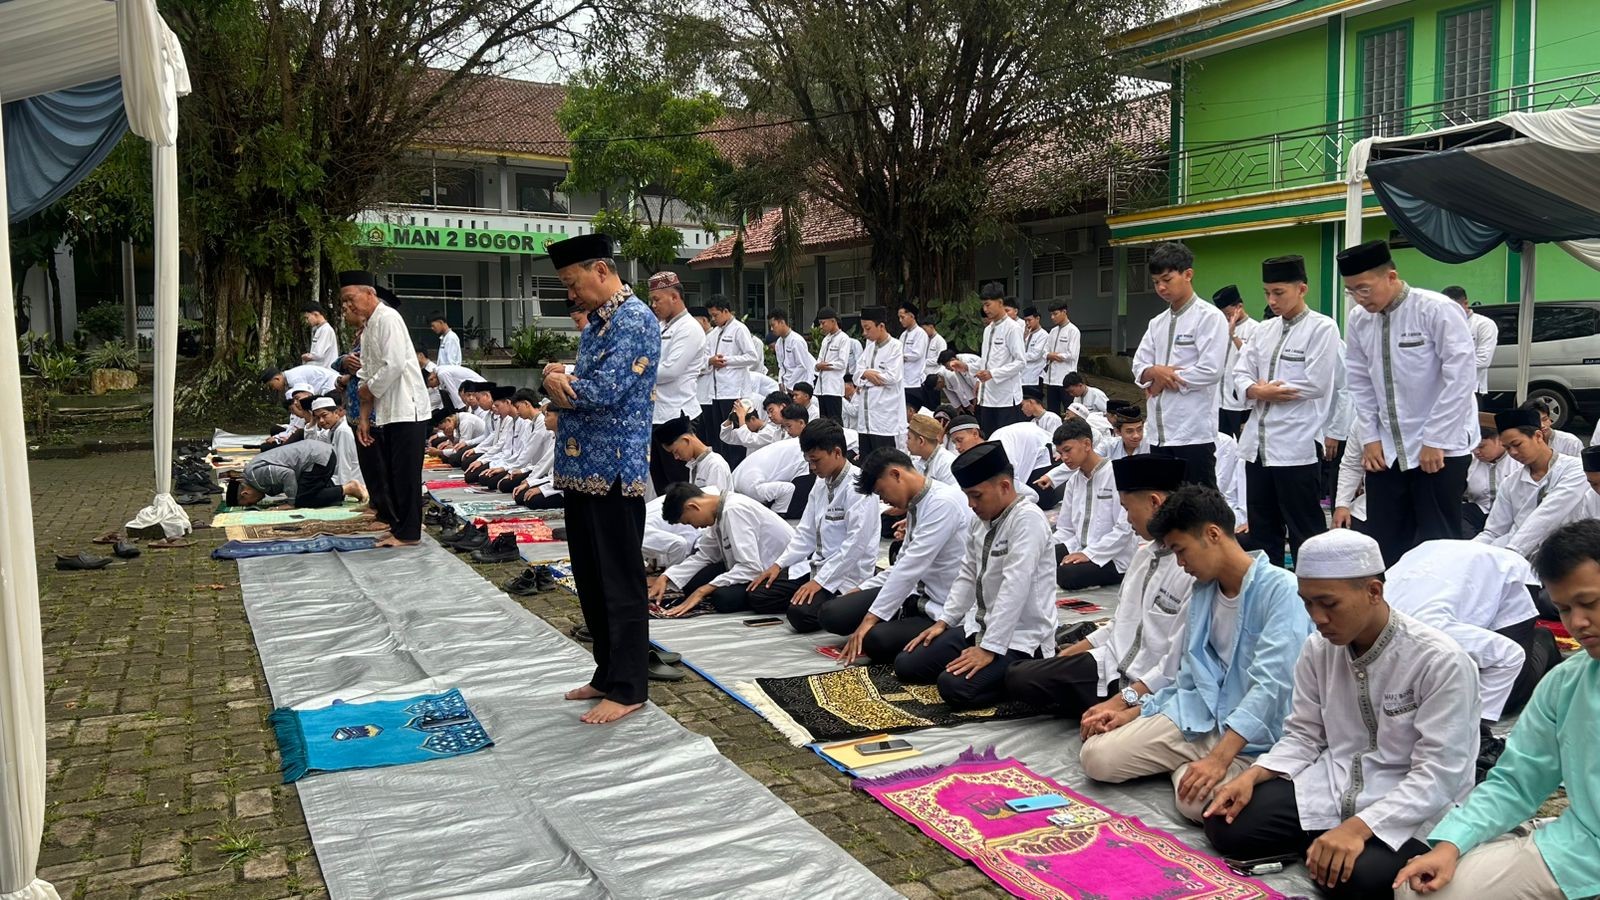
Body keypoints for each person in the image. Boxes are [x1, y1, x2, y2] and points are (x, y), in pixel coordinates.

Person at [1203, 529, 1480, 899]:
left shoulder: (1439, 661)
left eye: (1328, 603)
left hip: (1408, 803)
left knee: (1356, 880)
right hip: (1334, 785)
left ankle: (1329, 845)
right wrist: (1253, 775)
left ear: (1373, 592)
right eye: (1307, 604)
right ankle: (1325, 845)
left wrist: (1360, 827)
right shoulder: (1318, 650)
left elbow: (1439, 774)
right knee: (1226, 825)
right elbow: (1303, 734)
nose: (1317, 617)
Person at [1392, 520, 1600, 900]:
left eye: (1590, 603)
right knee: (1420, 890)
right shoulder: (1566, 684)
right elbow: (1517, 780)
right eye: (1565, 609)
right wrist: (1452, 843)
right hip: (1582, 851)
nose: (1578, 623)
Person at [1080, 484, 1312, 822]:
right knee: (1096, 757)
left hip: (1251, 732)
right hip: (1198, 716)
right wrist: (1133, 711)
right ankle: (1190, 768)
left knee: (1198, 805)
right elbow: (1185, 673)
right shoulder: (1203, 590)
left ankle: (1202, 768)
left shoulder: (1281, 591)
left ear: (1213, 534)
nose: (1180, 562)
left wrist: (1219, 759)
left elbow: (1271, 686)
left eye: (1181, 549)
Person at [540, 233, 660, 725]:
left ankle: (630, 685)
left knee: (619, 581)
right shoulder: (598, 323)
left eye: (574, 283)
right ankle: (607, 672)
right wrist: (560, 376)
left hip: (613, 469)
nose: (571, 295)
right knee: (589, 577)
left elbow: (604, 391)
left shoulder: (634, 320)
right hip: (582, 467)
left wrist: (554, 382)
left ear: (602, 271)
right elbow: (581, 381)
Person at [1006, 454, 1193, 719]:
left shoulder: (1191, 567)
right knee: (1019, 675)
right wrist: (1071, 652)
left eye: (1128, 508)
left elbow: (1175, 664)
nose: (1128, 519)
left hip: (1145, 684)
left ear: (1154, 502)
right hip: (1110, 663)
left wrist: (1125, 700)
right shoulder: (1144, 556)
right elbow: (1119, 624)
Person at [1340, 239, 1476, 565]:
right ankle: (1391, 613)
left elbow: (1460, 378)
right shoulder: (1359, 320)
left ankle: (1439, 613)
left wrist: (1436, 439)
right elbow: (1359, 382)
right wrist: (1370, 439)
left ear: (1390, 276)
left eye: (1364, 289)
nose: (1359, 298)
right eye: (1351, 291)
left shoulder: (1436, 309)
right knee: (1385, 543)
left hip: (1440, 450)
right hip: (1386, 450)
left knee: (1438, 545)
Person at [897, 442, 1057, 708]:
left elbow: (1014, 587)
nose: (970, 504)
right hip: (979, 626)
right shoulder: (980, 518)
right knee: (908, 663)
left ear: (1005, 486)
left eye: (976, 496)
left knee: (954, 687)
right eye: (967, 496)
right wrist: (945, 621)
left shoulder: (1028, 520)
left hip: (1020, 638)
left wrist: (990, 648)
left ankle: (1031, 673)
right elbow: (968, 572)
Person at [814, 448, 974, 665]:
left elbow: (910, 568)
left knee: (876, 641)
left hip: (939, 606)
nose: (885, 500)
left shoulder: (942, 503)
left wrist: (870, 619)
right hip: (913, 596)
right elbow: (901, 566)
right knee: (832, 613)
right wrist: (860, 591)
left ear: (896, 475)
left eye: (882, 493)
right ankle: (895, 617)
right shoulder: (918, 503)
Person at [1234, 255, 1340, 567]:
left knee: (1304, 529)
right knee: (1263, 529)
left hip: (1296, 446)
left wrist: (1271, 389)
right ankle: (1271, 593)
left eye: (1279, 292)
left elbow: (1317, 383)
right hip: (1257, 448)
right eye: (1267, 292)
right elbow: (1240, 374)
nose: (1271, 300)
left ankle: (1315, 595)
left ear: (1302, 288)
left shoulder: (1322, 328)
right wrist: (1257, 390)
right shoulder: (1262, 331)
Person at [1385, 540, 1546, 726]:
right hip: (1437, 559)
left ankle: (1544, 643)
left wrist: (1477, 725)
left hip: (1507, 571)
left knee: (1508, 696)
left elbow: (1509, 656)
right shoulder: (1363, 628)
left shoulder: (1432, 633)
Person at [747, 422, 881, 631]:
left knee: (800, 616)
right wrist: (779, 565)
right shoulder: (821, 482)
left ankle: (829, 602)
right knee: (758, 595)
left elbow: (855, 546)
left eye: (816, 460)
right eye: (808, 460)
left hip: (845, 575)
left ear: (837, 452)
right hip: (815, 566)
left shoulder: (858, 486)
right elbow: (805, 532)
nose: (812, 467)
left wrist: (821, 582)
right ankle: (808, 597)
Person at [341, 271, 431, 547]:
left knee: (406, 474)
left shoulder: (388, 318)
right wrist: (365, 418)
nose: (348, 306)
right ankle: (397, 525)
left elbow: (393, 365)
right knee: (392, 472)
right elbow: (366, 375)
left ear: (369, 293)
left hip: (408, 407)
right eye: (344, 302)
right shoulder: (369, 327)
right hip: (387, 410)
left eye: (350, 299)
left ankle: (409, 533)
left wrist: (367, 390)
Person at [1132, 242, 1230, 489]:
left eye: (1167, 279)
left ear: (1188, 274)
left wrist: (1160, 383)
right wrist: (1156, 372)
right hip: (1159, 433)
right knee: (1165, 505)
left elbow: (1210, 370)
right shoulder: (1157, 323)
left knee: (1198, 509)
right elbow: (1138, 366)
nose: (1161, 287)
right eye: (1156, 282)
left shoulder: (1209, 317)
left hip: (1193, 434)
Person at [653, 484, 798, 616]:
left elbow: (751, 567)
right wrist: (667, 576)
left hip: (778, 570)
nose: (695, 527)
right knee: (692, 583)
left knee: (724, 599)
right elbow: (706, 555)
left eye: (690, 522)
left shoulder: (734, 510)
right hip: (749, 566)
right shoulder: (719, 510)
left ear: (693, 507)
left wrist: (704, 590)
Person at [1474, 408, 1589, 561]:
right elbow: (1493, 532)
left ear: (1538, 436)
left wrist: (1511, 554)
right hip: (1517, 557)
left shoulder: (1575, 469)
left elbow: (1547, 515)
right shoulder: (1511, 483)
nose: (1513, 452)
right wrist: (1470, 552)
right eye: (1507, 448)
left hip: (1567, 556)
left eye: (1517, 444)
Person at [1051, 418, 1136, 590]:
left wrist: (1089, 554)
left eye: (1067, 450)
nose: (1064, 458)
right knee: (1040, 557)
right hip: (1078, 546)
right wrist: (1046, 546)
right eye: (1061, 453)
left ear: (1087, 444)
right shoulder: (1074, 481)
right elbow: (1065, 529)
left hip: (1113, 556)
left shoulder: (1116, 475)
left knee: (1067, 575)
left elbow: (1124, 529)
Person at [647, 271, 707, 494]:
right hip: (657, 414)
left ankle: (686, 529)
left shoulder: (689, 328)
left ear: (674, 296)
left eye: (657, 299)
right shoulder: (663, 326)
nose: (653, 305)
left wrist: (634, 371)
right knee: (662, 484)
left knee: (679, 485)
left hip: (677, 416)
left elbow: (670, 371)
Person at [704, 295, 760, 466]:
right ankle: (722, 470)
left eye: (715, 315)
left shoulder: (739, 329)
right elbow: (705, 357)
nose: (713, 319)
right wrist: (710, 361)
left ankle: (737, 470)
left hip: (734, 391)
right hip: (715, 393)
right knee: (721, 435)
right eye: (711, 316)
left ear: (726, 311)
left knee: (735, 437)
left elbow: (752, 357)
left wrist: (726, 360)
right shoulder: (714, 334)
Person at [226, 440, 364, 509]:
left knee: (303, 500)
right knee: (310, 494)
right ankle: (338, 492)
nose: (254, 503)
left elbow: (287, 474)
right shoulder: (254, 477)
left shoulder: (256, 475)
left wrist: (291, 503)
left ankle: (349, 488)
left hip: (317, 459)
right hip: (320, 456)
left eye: (248, 503)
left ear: (245, 493)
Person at [975, 282, 1027, 434]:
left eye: (987, 305)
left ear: (1000, 303)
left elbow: (1020, 362)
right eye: (983, 305)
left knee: (1005, 442)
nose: (985, 309)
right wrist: (977, 378)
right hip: (987, 397)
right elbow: (986, 361)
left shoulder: (1013, 328)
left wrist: (993, 374)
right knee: (989, 440)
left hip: (1005, 399)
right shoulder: (987, 330)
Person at [853, 306, 905, 455]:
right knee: (867, 463)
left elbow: (891, 377)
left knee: (884, 464)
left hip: (884, 420)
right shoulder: (868, 348)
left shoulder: (895, 346)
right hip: (865, 421)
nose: (864, 333)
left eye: (868, 328)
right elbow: (857, 375)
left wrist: (866, 375)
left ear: (881, 326)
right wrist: (866, 374)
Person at [1213, 285, 1258, 438]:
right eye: (1223, 314)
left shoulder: (1256, 329)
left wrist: (1233, 335)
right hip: (1219, 401)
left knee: (1242, 446)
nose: (1226, 318)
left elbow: (1251, 358)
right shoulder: (1219, 328)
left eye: (1228, 313)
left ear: (1239, 306)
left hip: (1240, 404)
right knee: (1222, 446)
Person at [1463, 425, 1521, 537]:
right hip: (1481, 511)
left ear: (1499, 441)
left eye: (1481, 447)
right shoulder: (1470, 462)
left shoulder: (1518, 461)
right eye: (1473, 448)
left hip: (1512, 515)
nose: (1476, 452)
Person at [1442, 286, 1497, 405]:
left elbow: (1483, 360)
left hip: (1470, 389)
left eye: (1452, 307)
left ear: (1465, 303)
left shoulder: (1483, 324)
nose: (1448, 311)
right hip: (1444, 389)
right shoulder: (1444, 324)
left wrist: (1448, 366)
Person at [653, 415, 731, 494]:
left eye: (675, 451)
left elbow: (715, 502)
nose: (676, 457)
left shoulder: (715, 465)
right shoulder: (694, 465)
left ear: (686, 440)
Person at [812, 307, 858, 422]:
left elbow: (842, 363)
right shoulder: (825, 339)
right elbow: (818, 362)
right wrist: (818, 366)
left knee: (835, 420)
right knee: (823, 420)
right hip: (821, 388)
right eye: (820, 324)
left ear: (833, 321)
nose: (821, 326)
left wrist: (825, 366)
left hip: (833, 388)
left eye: (823, 323)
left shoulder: (843, 339)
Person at [308, 396, 364, 490]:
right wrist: (311, 423)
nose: (321, 421)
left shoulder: (343, 430)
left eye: (324, 415)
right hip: (336, 479)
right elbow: (312, 446)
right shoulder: (331, 430)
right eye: (317, 418)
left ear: (336, 413)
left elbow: (345, 464)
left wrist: (343, 490)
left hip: (350, 481)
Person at [1043, 302, 1081, 415]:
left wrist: (1055, 356)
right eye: (1051, 315)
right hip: (1051, 380)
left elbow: (1072, 354)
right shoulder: (1053, 332)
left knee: (1069, 411)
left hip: (1066, 380)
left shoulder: (1073, 331)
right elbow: (1045, 351)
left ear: (1064, 312)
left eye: (1055, 314)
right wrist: (1049, 355)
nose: (1052, 317)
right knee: (1052, 411)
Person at [768, 309, 816, 391]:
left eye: (773, 325)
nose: (772, 329)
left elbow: (802, 366)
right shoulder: (779, 343)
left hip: (801, 386)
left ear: (782, 322)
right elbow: (781, 365)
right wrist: (780, 382)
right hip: (787, 386)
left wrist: (790, 385)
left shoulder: (796, 340)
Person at [906, 413, 956, 485]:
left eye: (909, 438)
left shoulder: (947, 464)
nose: (906, 442)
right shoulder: (918, 461)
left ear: (921, 441)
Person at [898, 303, 929, 409]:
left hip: (914, 381)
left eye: (902, 317)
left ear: (911, 316)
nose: (900, 320)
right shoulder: (903, 335)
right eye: (899, 318)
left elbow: (917, 354)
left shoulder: (920, 333)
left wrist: (901, 356)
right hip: (903, 379)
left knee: (913, 410)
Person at [261, 364, 339, 400]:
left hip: (330, 385)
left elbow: (305, 396)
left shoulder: (294, 379)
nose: (274, 389)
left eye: (272, 386)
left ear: (277, 379)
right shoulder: (290, 378)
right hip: (323, 387)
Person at [302, 303, 339, 368]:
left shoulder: (325, 330)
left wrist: (306, 356)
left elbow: (318, 354)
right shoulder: (319, 329)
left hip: (326, 372)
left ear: (316, 314)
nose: (307, 321)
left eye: (307, 318)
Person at [1021, 306, 1050, 387]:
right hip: (1022, 377)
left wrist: (1019, 356)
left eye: (1029, 320)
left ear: (1037, 319)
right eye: (1025, 320)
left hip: (1034, 378)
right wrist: (1023, 338)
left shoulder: (1043, 335)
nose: (1027, 323)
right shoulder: (1025, 333)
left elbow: (1035, 355)